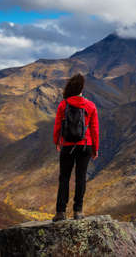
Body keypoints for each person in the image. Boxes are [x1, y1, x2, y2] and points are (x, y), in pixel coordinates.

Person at [52, 73, 99, 221]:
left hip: (67, 146)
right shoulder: (90, 105)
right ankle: (78, 211)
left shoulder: (63, 104)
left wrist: (57, 142)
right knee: (81, 178)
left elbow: (57, 126)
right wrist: (95, 149)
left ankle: (61, 212)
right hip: (85, 145)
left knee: (64, 178)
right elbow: (94, 129)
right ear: (82, 88)